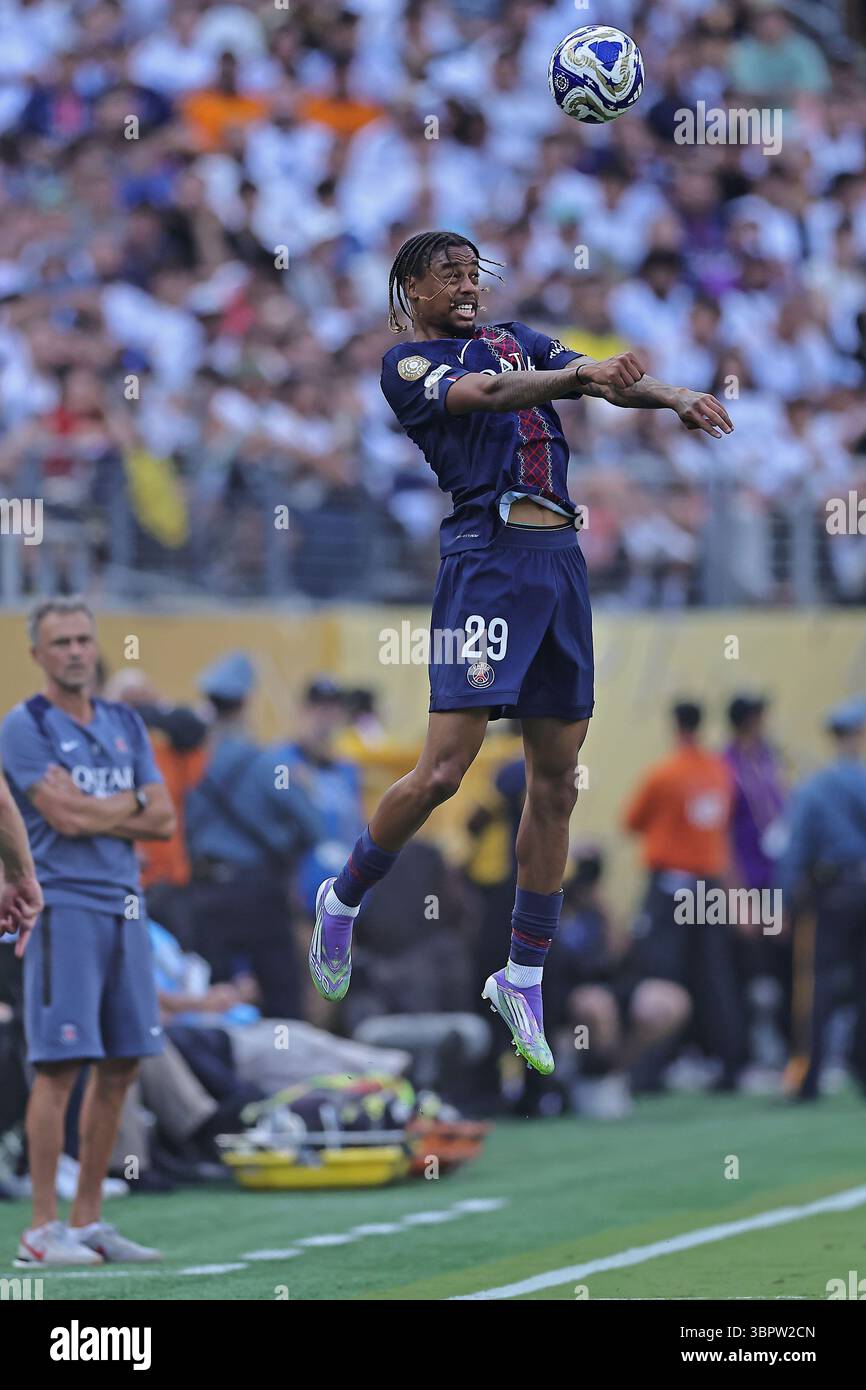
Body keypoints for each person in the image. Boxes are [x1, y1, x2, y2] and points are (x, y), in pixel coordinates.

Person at [308, 229, 733, 1074]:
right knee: (442, 771)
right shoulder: (409, 365)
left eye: (474, 273)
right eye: (449, 276)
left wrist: (674, 393)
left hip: (559, 565)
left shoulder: (522, 337)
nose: (467, 286)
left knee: (557, 782)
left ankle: (524, 975)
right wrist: (582, 375)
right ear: (411, 294)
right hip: (486, 563)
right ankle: (343, 895)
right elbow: (497, 393)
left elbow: (606, 379)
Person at [0, 595, 176, 1266]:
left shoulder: (125, 720)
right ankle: (42, 1232)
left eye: (82, 638)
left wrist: (106, 807)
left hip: (126, 905)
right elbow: (64, 818)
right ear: (37, 655)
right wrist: (128, 803)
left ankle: (90, 1221)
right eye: (61, 641)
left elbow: (163, 820)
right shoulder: (25, 725)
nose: (75, 650)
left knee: (124, 1061)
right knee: (60, 1064)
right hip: (62, 904)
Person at [184, 652, 322, 1019]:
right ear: (245, 701)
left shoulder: (189, 761)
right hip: (259, 894)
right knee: (282, 996)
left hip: (205, 892)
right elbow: (312, 826)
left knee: (213, 999)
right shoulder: (268, 763)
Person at [622, 701, 746, 1089]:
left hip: (671, 886)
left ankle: (651, 1071)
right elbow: (723, 828)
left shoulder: (663, 773)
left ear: (675, 725)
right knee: (714, 975)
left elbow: (632, 822)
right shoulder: (720, 771)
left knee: (661, 975)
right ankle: (730, 1065)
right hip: (707, 886)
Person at [780, 697, 866, 1099]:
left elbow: (796, 850)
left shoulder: (815, 786)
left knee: (818, 985)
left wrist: (782, 903)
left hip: (832, 893)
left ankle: (808, 1075)